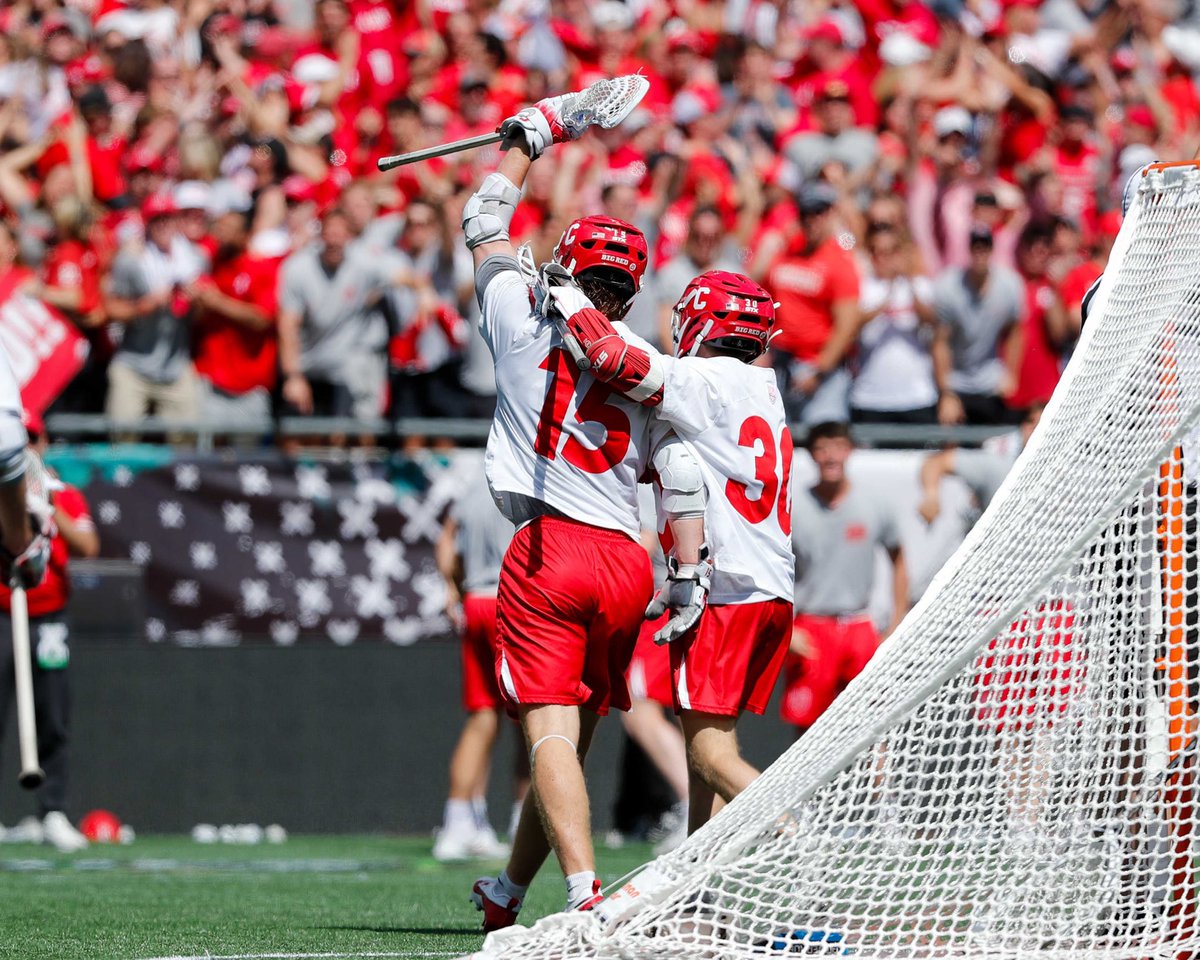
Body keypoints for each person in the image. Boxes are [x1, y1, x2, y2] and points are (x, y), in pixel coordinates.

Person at [463, 96, 704, 929]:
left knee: (549, 738)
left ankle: (583, 898)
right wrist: (687, 573)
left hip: (552, 550)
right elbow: (679, 472)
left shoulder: (521, 323)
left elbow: (483, 219)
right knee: (570, 738)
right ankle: (509, 890)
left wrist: (534, 134)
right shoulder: (644, 361)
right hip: (627, 562)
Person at [559, 269, 795, 833]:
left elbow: (612, 357)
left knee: (710, 757)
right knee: (708, 750)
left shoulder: (705, 380)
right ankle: (699, 879)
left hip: (726, 587)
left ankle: (797, 838)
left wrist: (566, 296)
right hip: (771, 588)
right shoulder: (764, 386)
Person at [0, 411, 97, 852]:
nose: (25, 446)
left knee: (53, 713)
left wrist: (44, 502)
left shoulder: (65, 494)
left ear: (44, 442)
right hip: (3, 614)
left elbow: (88, 546)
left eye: (32, 437)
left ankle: (52, 811)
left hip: (49, 617)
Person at [782, 422, 908, 737]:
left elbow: (899, 559)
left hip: (859, 625)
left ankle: (878, 774)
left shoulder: (874, 504)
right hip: (812, 628)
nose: (830, 456)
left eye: (838, 447)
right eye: (822, 448)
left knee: (873, 726)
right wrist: (786, 629)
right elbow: (772, 569)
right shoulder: (793, 508)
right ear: (812, 455)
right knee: (808, 732)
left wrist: (897, 622)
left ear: (850, 451)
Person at [433, 456, 524, 862]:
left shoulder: (473, 488)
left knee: (483, 718)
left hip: (477, 601)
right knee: (534, 718)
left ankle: (458, 824)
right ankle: (525, 822)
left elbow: (446, 538)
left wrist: (452, 587)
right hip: (514, 603)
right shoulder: (529, 483)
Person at [277, 207, 436, 420]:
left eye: (339, 235)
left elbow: (405, 277)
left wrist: (424, 292)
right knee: (297, 428)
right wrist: (293, 376)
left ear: (349, 237)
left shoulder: (363, 262)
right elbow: (288, 326)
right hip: (306, 364)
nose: (334, 241)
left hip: (343, 369)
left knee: (349, 423)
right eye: (329, 234)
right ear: (321, 235)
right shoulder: (298, 268)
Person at [102, 194, 206, 424]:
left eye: (167, 218)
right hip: (134, 363)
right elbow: (111, 308)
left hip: (175, 363)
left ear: (176, 220)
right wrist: (142, 306)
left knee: (186, 435)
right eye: (156, 219)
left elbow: (203, 314)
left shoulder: (195, 259)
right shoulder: (131, 260)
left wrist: (198, 300)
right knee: (123, 433)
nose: (163, 225)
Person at [765, 181, 861, 425]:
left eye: (819, 212)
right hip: (781, 361)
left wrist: (819, 370)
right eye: (805, 213)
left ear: (830, 214)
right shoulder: (788, 251)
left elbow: (847, 325)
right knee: (780, 434)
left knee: (822, 432)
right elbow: (760, 287)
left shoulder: (839, 261)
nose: (811, 219)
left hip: (817, 367)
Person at [932, 225, 1026, 425]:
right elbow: (941, 342)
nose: (980, 253)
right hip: (956, 381)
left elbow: (1015, 331)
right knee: (952, 439)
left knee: (993, 439)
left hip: (990, 381)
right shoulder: (949, 287)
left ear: (992, 250)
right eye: (976, 247)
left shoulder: (1009, 285)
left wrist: (1011, 374)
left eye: (985, 247)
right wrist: (946, 392)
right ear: (969, 250)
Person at [850, 224, 937, 423]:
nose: (885, 259)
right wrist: (887, 296)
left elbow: (932, 320)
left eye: (891, 252)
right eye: (878, 252)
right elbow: (852, 326)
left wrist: (908, 281)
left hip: (917, 396)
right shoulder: (863, 287)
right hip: (871, 398)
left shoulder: (920, 285)